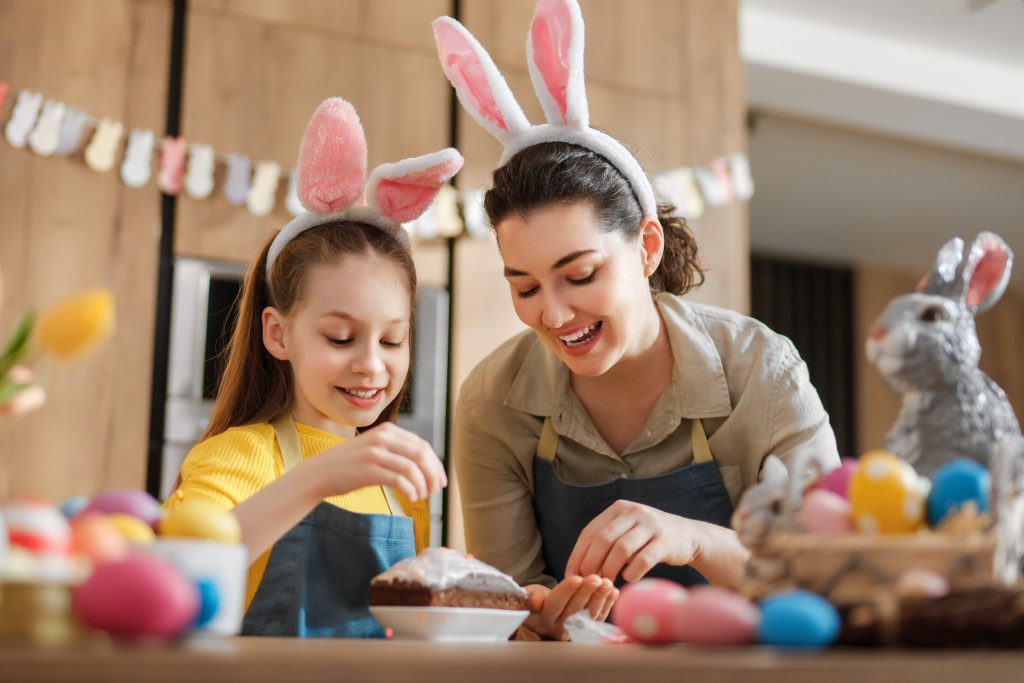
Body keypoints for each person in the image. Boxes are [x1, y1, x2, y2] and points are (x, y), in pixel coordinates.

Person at [433, 0, 839, 640]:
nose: (555, 314)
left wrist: (696, 539)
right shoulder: (493, 401)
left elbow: (827, 574)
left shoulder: (763, 372)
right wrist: (536, 611)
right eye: (526, 286)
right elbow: (512, 595)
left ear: (647, 247)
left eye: (581, 275)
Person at [166, 98, 462, 637]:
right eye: (340, 337)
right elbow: (173, 584)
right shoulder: (237, 456)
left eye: (393, 340)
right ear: (279, 334)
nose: (371, 364)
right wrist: (320, 476)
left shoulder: (398, 486)